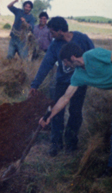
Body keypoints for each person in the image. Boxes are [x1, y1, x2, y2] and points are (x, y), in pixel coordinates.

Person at [40, 43, 112, 177]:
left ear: (72, 57)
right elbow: (65, 98)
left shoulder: (93, 55)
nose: (65, 65)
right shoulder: (78, 75)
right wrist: (49, 116)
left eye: (65, 62)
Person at [29, 16, 95, 156]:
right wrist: (35, 84)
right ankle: (55, 144)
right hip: (62, 82)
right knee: (57, 111)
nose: (51, 35)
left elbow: (93, 56)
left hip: (80, 83)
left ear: (60, 31)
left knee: (75, 113)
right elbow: (46, 64)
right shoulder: (54, 45)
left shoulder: (82, 39)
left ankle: (71, 143)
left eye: (52, 32)